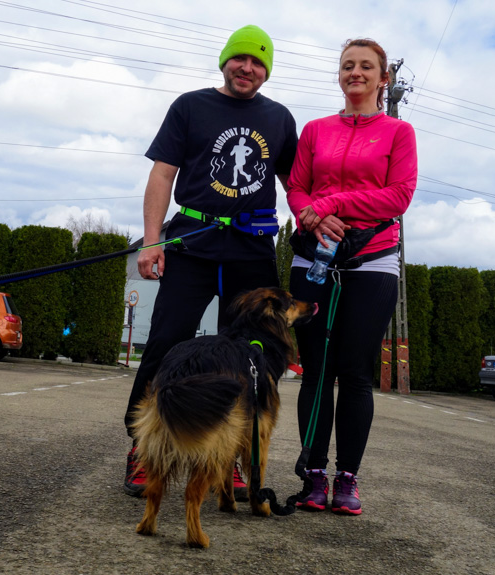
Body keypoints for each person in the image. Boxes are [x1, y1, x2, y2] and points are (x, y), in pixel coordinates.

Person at [124, 25, 299, 498]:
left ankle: (234, 459)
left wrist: (313, 220)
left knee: (251, 358)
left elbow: (292, 182)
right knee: (165, 343)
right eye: (240, 58)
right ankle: (144, 452)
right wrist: (151, 241)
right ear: (225, 61)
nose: (248, 68)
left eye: (259, 62)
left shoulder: (280, 118)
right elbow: (162, 174)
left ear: (267, 71)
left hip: (251, 251)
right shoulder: (190, 105)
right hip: (193, 242)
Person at [285, 38, 417, 515]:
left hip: (372, 262)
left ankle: (348, 480)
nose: (355, 73)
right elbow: (297, 189)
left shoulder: (399, 134)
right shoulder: (315, 130)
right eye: (347, 66)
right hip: (314, 261)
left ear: (384, 78)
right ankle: (314, 475)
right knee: (315, 371)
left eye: (366, 67)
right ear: (339, 75)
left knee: (356, 373)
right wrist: (313, 217)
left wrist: (334, 205)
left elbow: (399, 196)